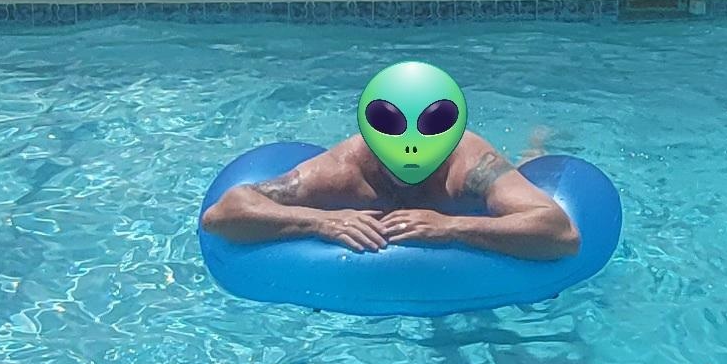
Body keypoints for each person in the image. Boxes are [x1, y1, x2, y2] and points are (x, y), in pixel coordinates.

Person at [203, 57, 581, 260]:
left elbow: (561, 233)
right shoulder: (343, 170)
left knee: (527, 168)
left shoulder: (469, 166)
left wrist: (451, 227)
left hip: (474, 202)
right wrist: (321, 222)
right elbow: (223, 213)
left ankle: (537, 145)